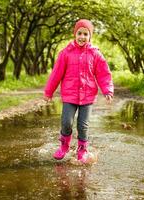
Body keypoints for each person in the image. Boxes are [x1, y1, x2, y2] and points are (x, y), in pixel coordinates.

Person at [44, 19, 114, 163]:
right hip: (70, 95)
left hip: (87, 96)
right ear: (75, 34)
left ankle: (82, 149)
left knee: (83, 125)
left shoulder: (95, 54)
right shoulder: (66, 53)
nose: (82, 37)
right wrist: (48, 92)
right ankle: (64, 146)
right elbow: (56, 73)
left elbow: (103, 73)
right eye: (79, 33)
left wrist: (107, 90)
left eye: (85, 34)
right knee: (66, 122)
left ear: (90, 36)